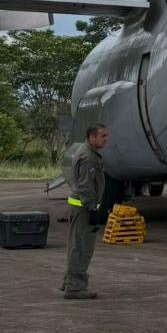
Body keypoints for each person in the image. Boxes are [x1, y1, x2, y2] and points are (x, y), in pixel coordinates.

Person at [61, 124, 109, 300]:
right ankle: (75, 287)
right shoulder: (88, 157)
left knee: (76, 244)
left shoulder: (86, 151)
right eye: (103, 136)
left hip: (80, 206)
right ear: (92, 137)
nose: (106, 139)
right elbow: (86, 186)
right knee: (81, 248)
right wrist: (92, 207)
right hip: (83, 208)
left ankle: (69, 281)